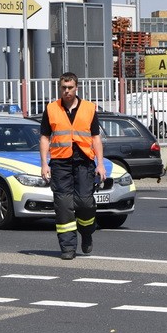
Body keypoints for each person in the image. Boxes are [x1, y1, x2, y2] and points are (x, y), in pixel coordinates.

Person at [39, 73, 107, 260]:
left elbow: (95, 138)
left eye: (70, 87)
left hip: (84, 162)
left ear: (77, 87)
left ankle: (86, 232)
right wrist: (44, 163)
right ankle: (67, 247)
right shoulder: (51, 109)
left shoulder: (89, 108)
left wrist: (100, 164)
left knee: (85, 202)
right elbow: (45, 137)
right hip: (60, 163)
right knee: (63, 205)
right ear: (59, 88)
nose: (66, 91)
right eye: (63, 87)